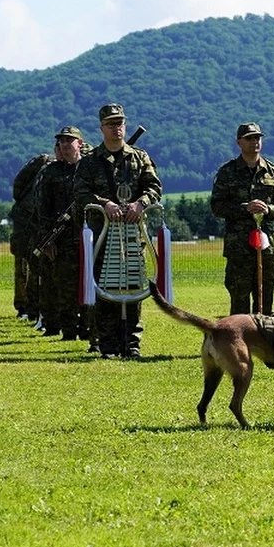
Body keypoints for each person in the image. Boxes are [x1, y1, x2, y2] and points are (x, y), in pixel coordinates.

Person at [73, 103, 162, 359]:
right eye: (111, 124)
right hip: (103, 235)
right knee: (106, 289)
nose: (117, 128)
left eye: (120, 123)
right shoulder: (90, 162)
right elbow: (80, 193)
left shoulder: (139, 157)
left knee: (134, 287)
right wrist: (105, 204)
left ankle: (132, 344)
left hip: (133, 235)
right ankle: (108, 345)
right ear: (102, 128)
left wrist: (140, 203)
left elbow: (154, 187)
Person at [210, 122, 274, 314]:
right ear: (239, 142)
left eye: (257, 138)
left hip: (267, 247)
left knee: (265, 299)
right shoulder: (227, 172)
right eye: (249, 138)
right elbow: (217, 206)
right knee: (239, 299)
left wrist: (269, 209)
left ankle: (262, 342)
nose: (254, 142)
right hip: (239, 246)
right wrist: (244, 208)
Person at [36, 126, 92, 344]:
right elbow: (43, 209)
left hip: (88, 238)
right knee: (65, 287)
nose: (66, 144)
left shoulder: (89, 168)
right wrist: (46, 240)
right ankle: (69, 330)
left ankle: (88, 327)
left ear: (80, 143)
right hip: (62, 240)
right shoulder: (51, 172)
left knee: (89, 283)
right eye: (62, 141)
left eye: (71, 140)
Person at [10, 147, 54, 323]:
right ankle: (25, 306)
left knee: (38, 266)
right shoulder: (43, 162)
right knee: (24, 261)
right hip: (25, 220)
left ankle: (35, 307)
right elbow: (18, 185)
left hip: (40, 221)